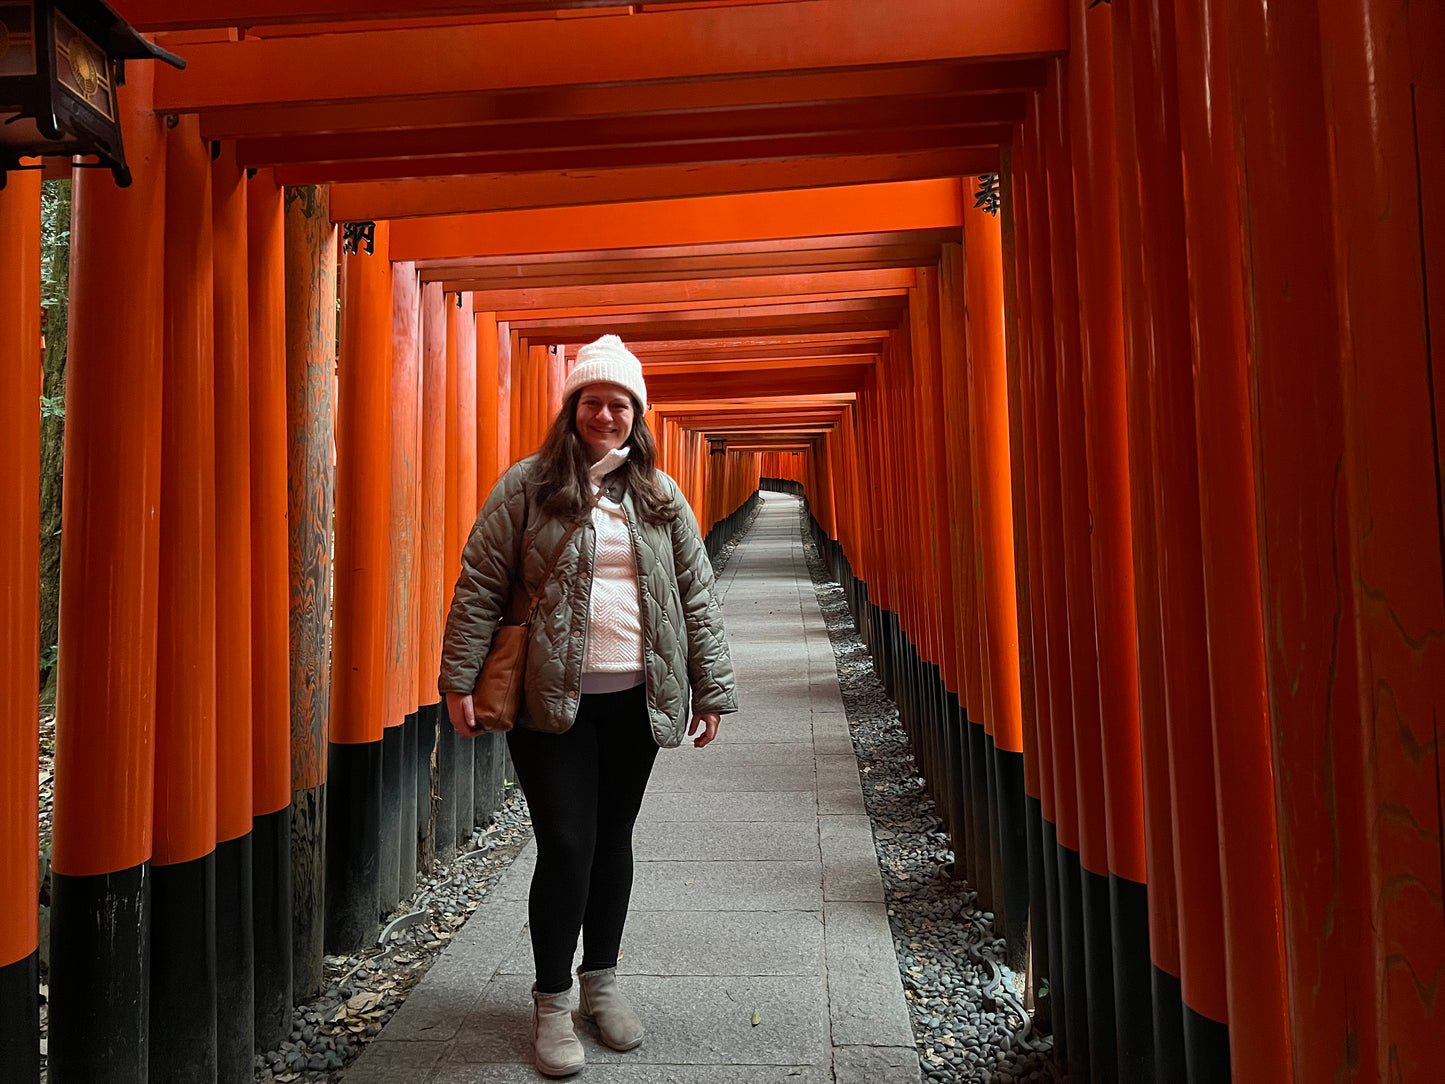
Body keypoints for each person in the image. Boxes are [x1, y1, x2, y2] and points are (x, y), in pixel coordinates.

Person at [438, 334, 738, 1078]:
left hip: (635, 697)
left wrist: (712, 688)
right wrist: (458, 680)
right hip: (548, 700)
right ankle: (549, 1000)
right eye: (592, 402)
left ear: (637, 417)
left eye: (620, 405)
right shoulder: (528, 486)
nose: (605, 414)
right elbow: (480, 583)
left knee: (613, 840)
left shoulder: (660, 496)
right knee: (567, 843)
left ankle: (600, 983)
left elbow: (694, 596)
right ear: (573, 410)